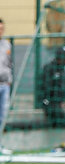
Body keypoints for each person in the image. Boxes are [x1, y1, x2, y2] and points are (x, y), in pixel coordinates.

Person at [0, 18, 12, 155]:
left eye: (2, 29)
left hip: (4, 85)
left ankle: (0, 145)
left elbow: (9, 64)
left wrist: (10, 79)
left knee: (2, 117)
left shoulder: (6, 45)